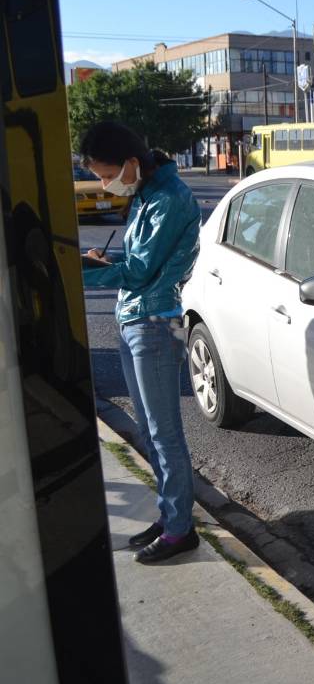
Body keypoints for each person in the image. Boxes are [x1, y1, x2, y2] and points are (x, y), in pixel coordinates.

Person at [80, 122, 203, 563]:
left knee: (165, 435)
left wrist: (78, 271)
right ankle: (171, 515)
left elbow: (140, 273)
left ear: (131, 162)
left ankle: (179, 529)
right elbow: (135, 262)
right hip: (137, 321)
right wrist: (102, 260)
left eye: (104, 172)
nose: (103, 182)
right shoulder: (148, 193)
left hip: (154, 324)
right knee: (152, 434)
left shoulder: (168, 199)